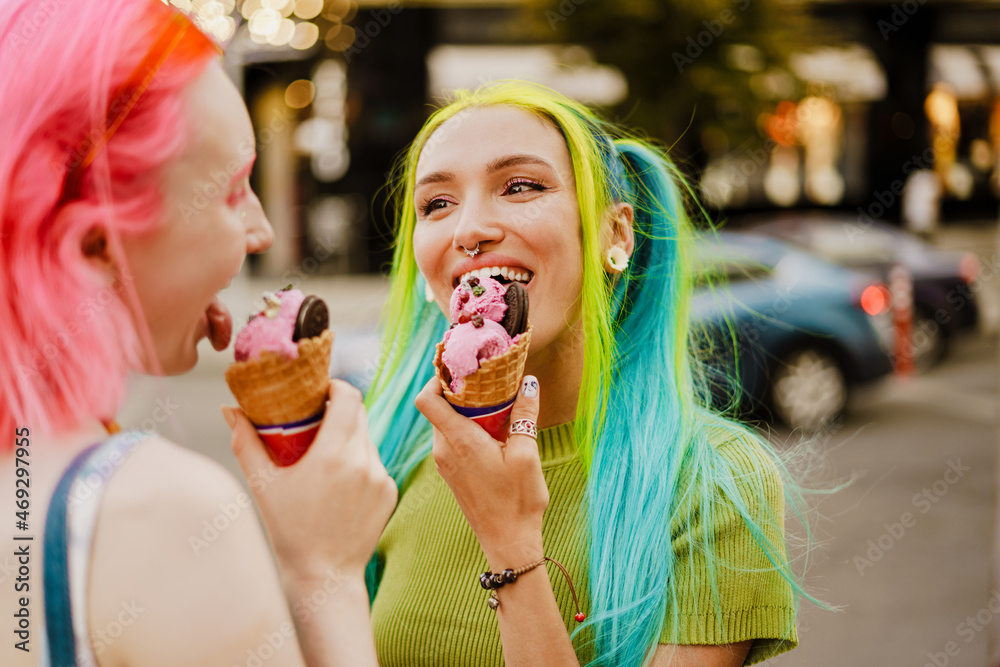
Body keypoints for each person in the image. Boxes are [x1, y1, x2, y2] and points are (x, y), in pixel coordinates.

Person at [363, 82, 817, 666]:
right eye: (437, 204)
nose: (467, 230)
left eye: (520, 186)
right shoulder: (396, 456)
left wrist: (511, 543)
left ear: (616, 235)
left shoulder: (711, 482)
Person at [0, 2, 394, 665]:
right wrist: (325, 573)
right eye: (233, 189)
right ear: (98, 243)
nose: (261, 232)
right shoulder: (156, 514)